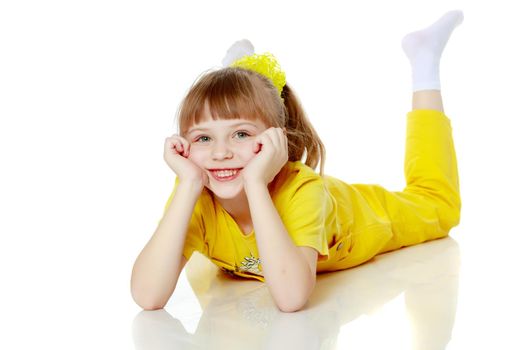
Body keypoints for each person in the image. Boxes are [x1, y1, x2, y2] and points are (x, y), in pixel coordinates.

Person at [130, 10, 464, 313]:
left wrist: (255, 183)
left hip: (356, 215)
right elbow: (147, 296)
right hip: (272, 184)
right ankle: (246, 71)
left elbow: (290, 298)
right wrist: (188, 185)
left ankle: (424, 64)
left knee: (438, 203)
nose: (220, 153)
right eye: (203, 138)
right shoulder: (196, 186)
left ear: (276, 140)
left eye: (241, 134)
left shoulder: (304, 191)